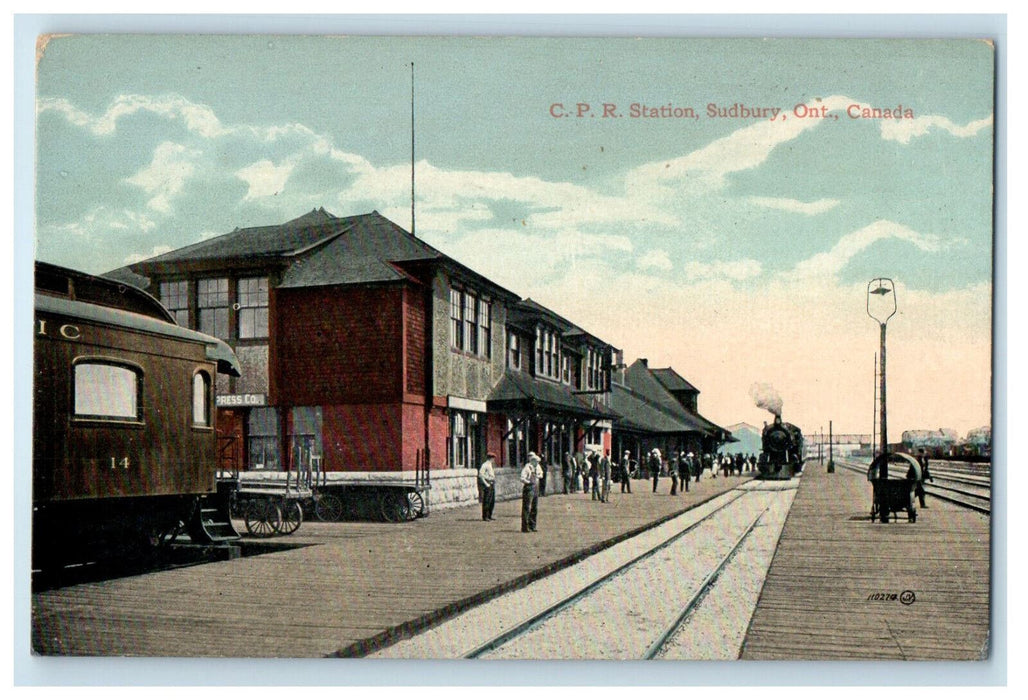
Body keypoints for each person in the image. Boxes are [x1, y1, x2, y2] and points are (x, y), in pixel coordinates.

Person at [520, 452, 543, 532]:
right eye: (536, 461)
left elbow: (541, 474)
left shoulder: (537, 467)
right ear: (532, 461)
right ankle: (525, 527)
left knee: (534, 507)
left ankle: (532, 525)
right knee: (527, 507)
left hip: (536, 487)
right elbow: (522, 478)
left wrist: (538, 475)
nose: (537, 463)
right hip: (529, 488)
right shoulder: (527, 468)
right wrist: (528, 482)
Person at [478, 452, 497, 521]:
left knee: (492, 501)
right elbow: (481, 475)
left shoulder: (490, 465)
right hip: (488, 484)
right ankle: (485, 516)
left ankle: (489, 515)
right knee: (487, 501)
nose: (493, 460)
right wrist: (486, 483)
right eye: (493, 458)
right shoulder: (485, 465)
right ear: (490, 458)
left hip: (492, 483)